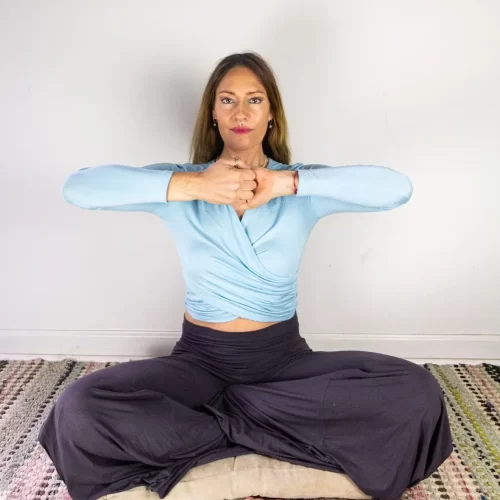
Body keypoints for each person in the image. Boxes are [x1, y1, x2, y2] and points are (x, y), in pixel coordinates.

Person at [38, 52, 453, 500]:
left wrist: (286, 183)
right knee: (77, 409)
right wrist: (195, 186)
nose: (241, 112)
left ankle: (213, 428)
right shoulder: (181, 185)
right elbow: (78, 187)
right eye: (228, 100)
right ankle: (270, 433)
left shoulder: (300, 186)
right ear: (212, 114)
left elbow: (396, 189)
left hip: (282, 365)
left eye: (254, 100)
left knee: (418, 394)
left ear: (271, 112)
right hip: (197, 363)